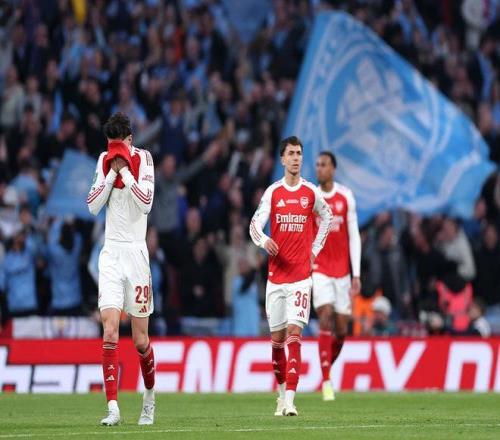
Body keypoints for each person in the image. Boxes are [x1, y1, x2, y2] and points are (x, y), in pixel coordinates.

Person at [249, 136, 333, 416]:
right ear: (282, 159)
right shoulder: (273, 193)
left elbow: (327, 217)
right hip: (276, 278)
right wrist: (264, 241)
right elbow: (254, 226)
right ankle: (282, 393)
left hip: (300, 278)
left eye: (299, 153)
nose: (296, 158)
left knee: (294, 335)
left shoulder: (311, 192)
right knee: (276, 342)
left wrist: (315, 250)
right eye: (291, 154)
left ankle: (290, 401)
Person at [87, 112, 156, 426]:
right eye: (110, 146)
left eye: (120, 145)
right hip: (112, 254)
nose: (114, 152)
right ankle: (113, 408)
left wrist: (125, 172)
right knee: (110, 330)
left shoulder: (145, 159)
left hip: (137, 254)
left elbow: (146, 203)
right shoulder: (104, 160)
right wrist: (109, 175)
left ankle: (149, 398)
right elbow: (92, 205)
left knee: (140, 340)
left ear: (130, 140)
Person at [312, 152, 361, 401]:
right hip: (319, 269)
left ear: (333, 169)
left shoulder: (345, 196)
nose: (319, 169)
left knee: (341, 330)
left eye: (324, 165)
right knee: (325, 314)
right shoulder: (311, 197)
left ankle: (325, 369)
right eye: (317, 165)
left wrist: (356, 273)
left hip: (342, 273)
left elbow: (354, 236)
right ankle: (326, 381)